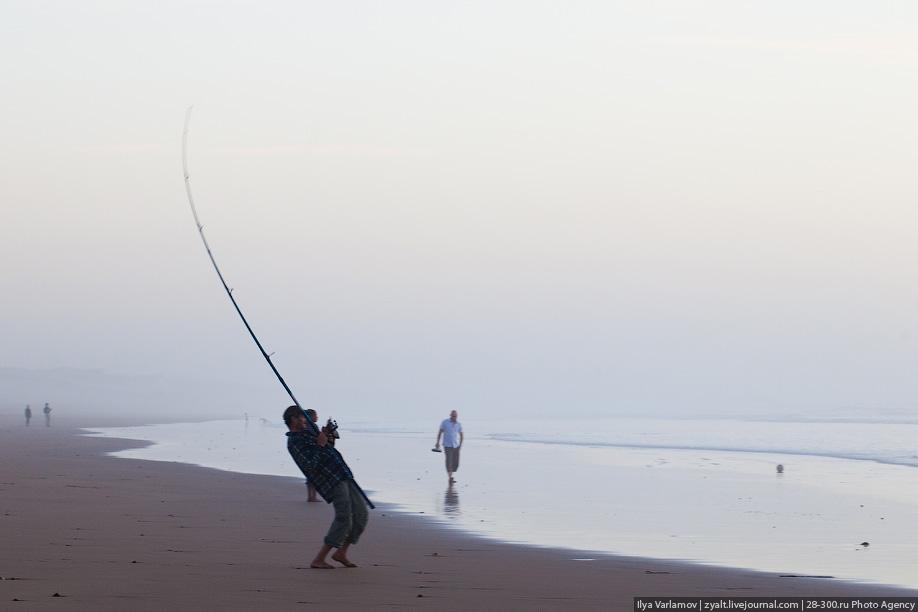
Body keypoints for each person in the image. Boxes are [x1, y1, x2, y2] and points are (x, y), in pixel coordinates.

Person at [284, 405, 369, 569]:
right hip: (331, 480)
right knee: (344, 516)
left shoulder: (307, 434)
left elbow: (327, 449)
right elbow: (309, 466)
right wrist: (320, 444)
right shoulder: (294, 441)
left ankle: (341, 553)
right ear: (293, 419)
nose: (305, 420)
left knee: (361, 513)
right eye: (302, 417)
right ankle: (319, 559)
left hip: (343, 474)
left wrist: (327, 437)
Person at [434, 410, 463, 483]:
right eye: (452, 416)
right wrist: (437, 442)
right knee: (449, 461)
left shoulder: (458, 424)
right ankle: (450, 477)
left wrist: (460, 445)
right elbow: (440, 432)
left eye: (455, 416)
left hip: (455, 445)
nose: (454, 417)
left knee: (456, 463)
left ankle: (451, 472)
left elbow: (461, 435)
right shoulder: (445, 422)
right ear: (450, 415)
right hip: (447, 445)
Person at [303, 410, 320, 502]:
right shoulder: (312, 426)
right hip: (313, 453)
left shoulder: (306, 426)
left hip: (309, 452)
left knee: (310, 477)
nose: (317, 417)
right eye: (316, 415)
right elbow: (317, 436)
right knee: (314, 476)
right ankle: (312, 496)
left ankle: (311, 496)